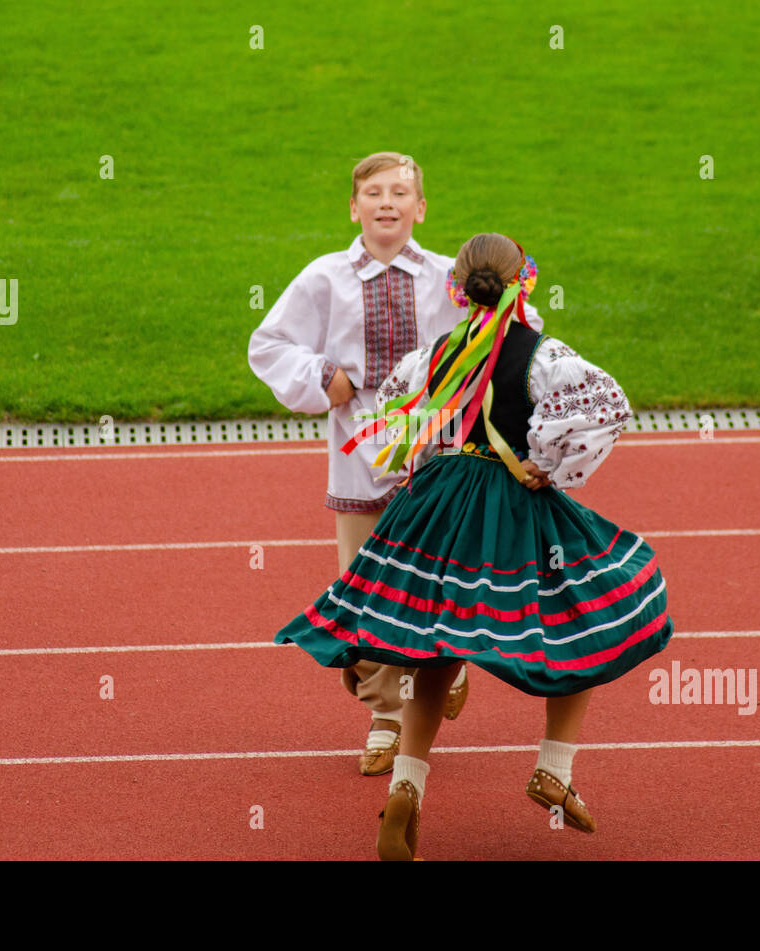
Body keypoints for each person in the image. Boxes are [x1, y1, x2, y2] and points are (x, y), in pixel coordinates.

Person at [274, 233, 674, 860]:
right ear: (526, 284)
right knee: (584, 619)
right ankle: (554, 770)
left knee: (438, 645)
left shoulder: (432, 353)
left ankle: (407, 785)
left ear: (456, 290)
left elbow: (397, 428)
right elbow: (606, 408)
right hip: (515, 504)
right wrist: (548, 467)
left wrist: (430, 470)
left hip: (437, 505)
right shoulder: (544, 355)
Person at [248, 154, 542, 775]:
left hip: (441, 467)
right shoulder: (323, 278)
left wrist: (485, 348)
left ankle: (438, 674)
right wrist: (320, 376)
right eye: (373, 193)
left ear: (420, 208)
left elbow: (519, 328)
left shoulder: (449, 277)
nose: (387, 202)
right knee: (362, 593)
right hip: (359, 464)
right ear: (353, 207)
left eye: (400, 193)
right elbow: (269, 344)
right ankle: (384, 712)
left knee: (441, 585)